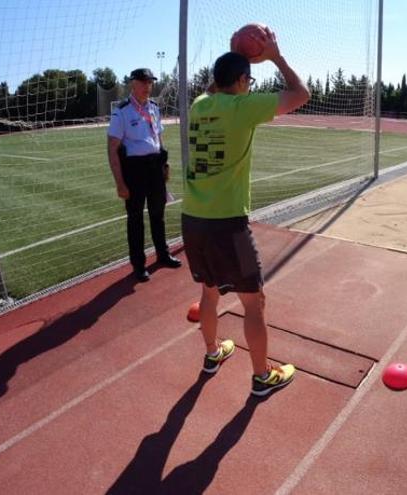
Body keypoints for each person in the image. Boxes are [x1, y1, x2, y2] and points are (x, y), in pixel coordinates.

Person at [181, 28, 310, 397]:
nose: (250, 86)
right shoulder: (241, 107)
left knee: (209, 293)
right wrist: (275, 57)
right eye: (248, 80)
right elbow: (301, 94)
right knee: (254, 302)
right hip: (227, 224)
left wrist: (235, 60)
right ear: (240, 81)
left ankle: (212, 353)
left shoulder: (199, 105)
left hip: (193, 219)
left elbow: (215, 85)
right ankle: (261, 377)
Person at [107, 68, 182, 282]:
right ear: (133, 84)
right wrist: (120, 183)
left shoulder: (154, 108)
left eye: (150, 82)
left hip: (155, 168)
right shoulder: (122, 111)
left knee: (158, 214)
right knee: (136, 219)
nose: (147, 86)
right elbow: (112, 148)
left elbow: (158, 139)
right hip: (135, 170)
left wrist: (164, 165)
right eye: (143, 82)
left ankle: (163, 254)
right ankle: (138, 265)